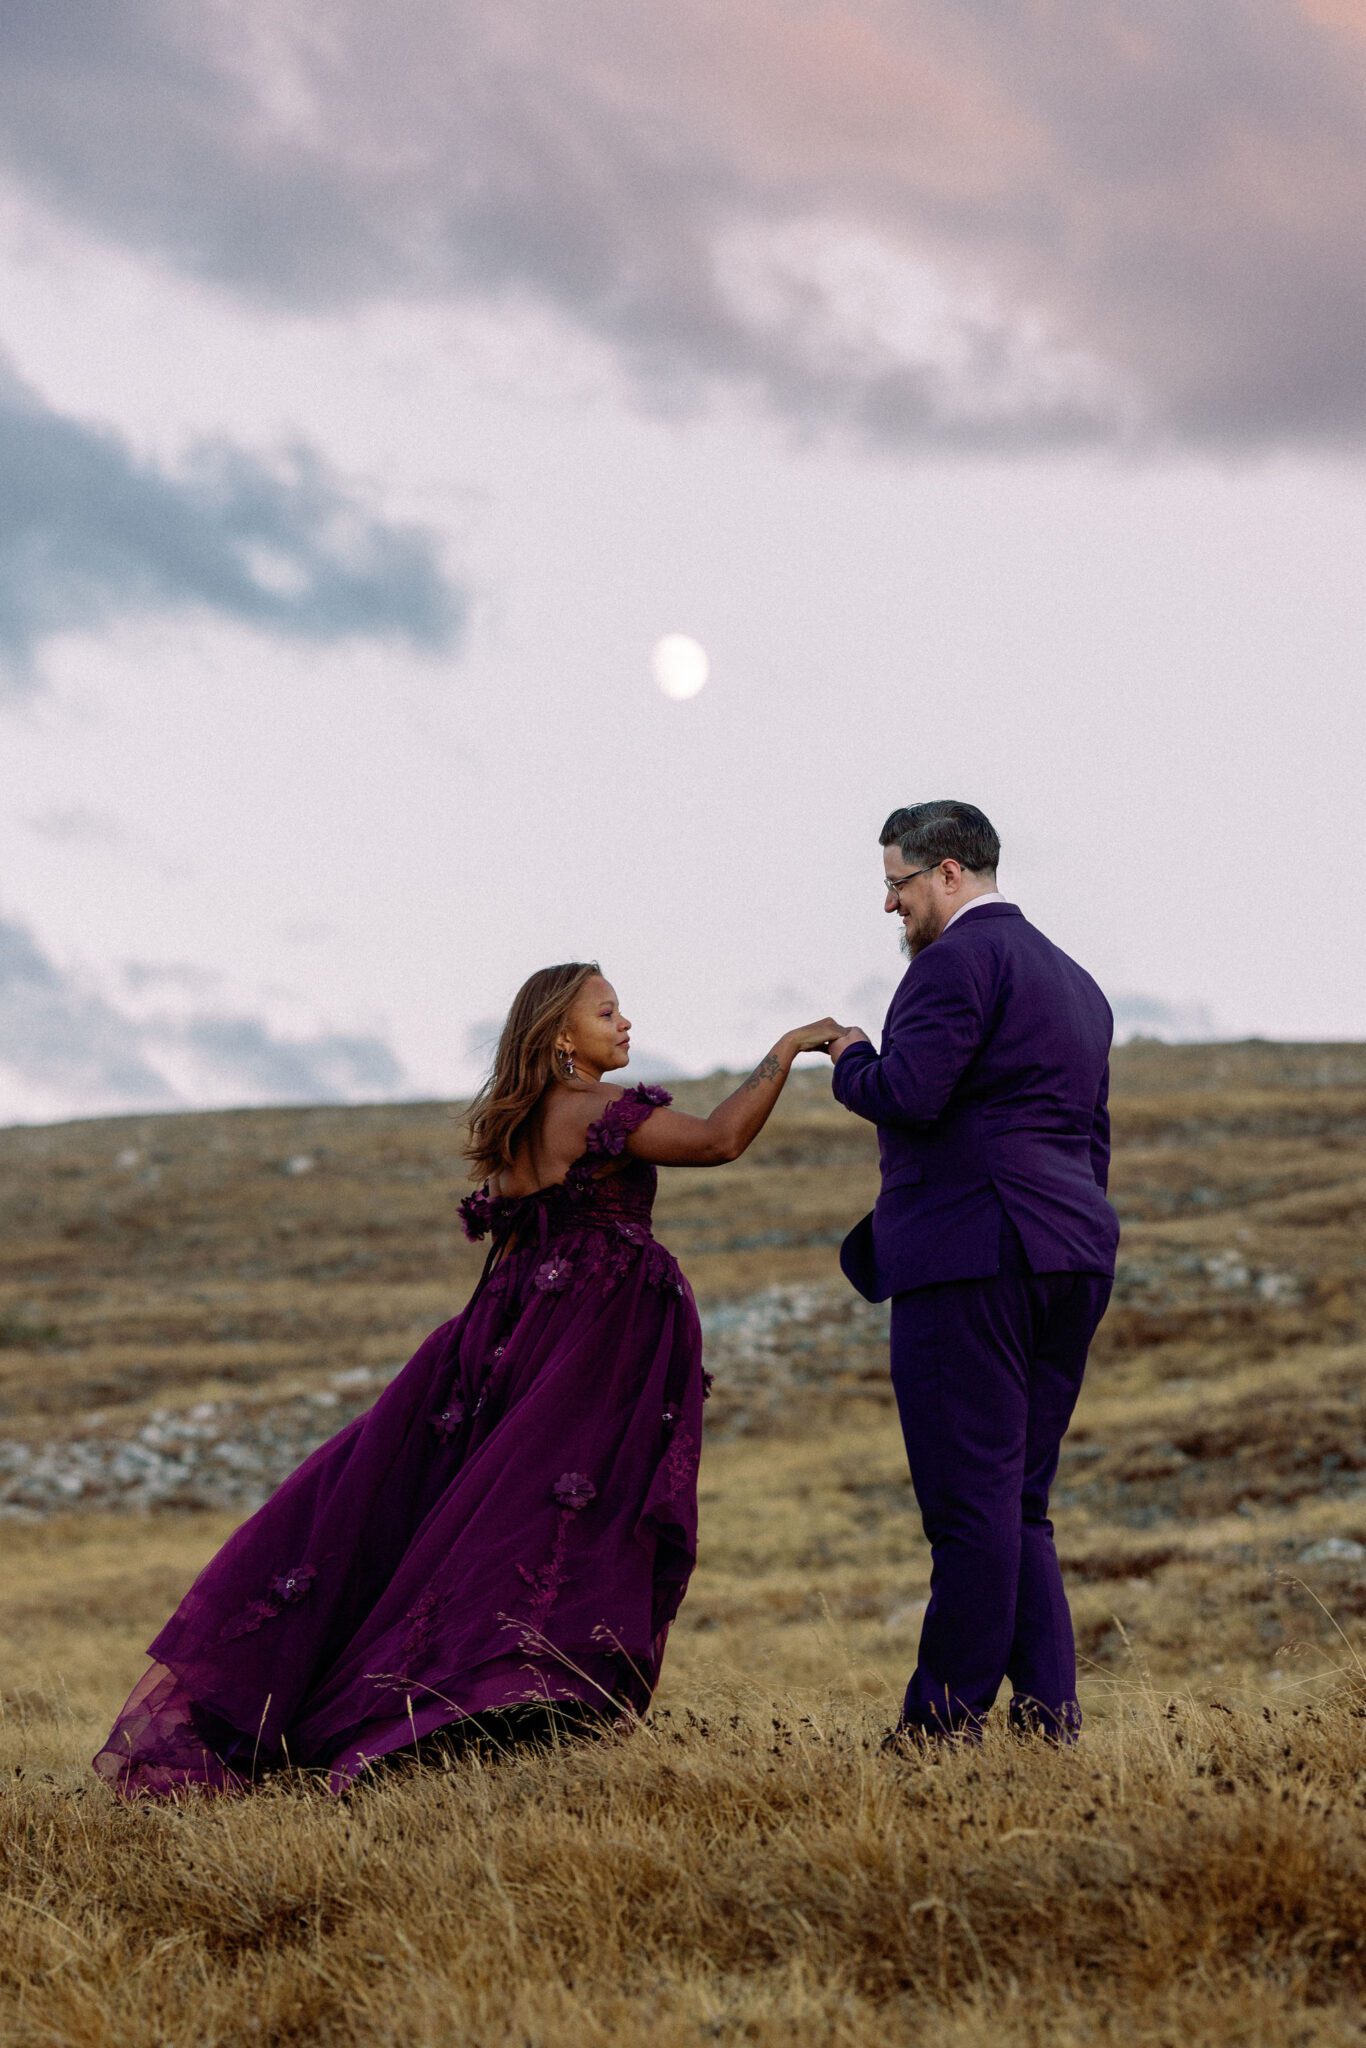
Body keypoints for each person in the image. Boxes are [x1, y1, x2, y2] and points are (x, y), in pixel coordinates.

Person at [94, 962, 841, 1795]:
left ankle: (478, 1706)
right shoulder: (591, 1110)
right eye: (607, 1011)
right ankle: (496, 1706)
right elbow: (719, 1141)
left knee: (479, 1519)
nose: (625, 1023)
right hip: (588, 1341)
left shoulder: (522, 1126)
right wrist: (789, 1047)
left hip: (515, 1335)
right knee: (549, 1523)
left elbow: (515, 1253)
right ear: (562, 1034)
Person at [826, 803, 1118, 1743]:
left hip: (972, 1259)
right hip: (1071, 1254)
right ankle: (1047, 1723)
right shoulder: (1078, 983)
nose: (888, 905)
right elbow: (1091, 1142)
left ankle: (941, 1729)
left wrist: (849, 1053)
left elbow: (908, 1095)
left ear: (948, 873)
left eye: (897, 883)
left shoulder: (953, 962)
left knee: (966, 1505)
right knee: (1018, 1501)